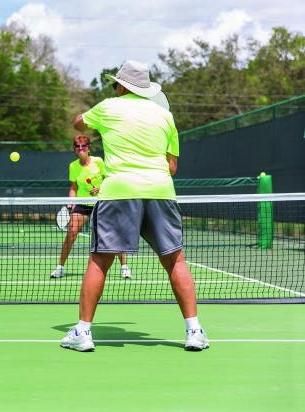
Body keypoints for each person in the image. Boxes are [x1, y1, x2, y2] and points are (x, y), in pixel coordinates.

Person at [60, 60, 209, 352]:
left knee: (100, 260)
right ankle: (194, 331)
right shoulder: (165, 116)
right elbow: (172, 166)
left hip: (119, 192)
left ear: (122, 86)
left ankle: (83, 332)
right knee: (175, 260)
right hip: (160, 191)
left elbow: (79, 123)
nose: (114, 88)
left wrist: (95, 123)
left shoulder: (108, 107)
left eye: (116, 84)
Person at [50, 134, 131, 279]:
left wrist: (100, 188)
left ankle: (124, 267)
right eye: (77, 146)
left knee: (113, 234)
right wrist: (71, 200)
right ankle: (60, 267)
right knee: (71, 233)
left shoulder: (98, 162)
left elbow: (110, 180)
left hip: (101, 202)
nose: (80, 148)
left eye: (83, 146)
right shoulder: (73, 166)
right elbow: (73, 187)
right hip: (82, 204)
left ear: (89, 148)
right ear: (74, 149)